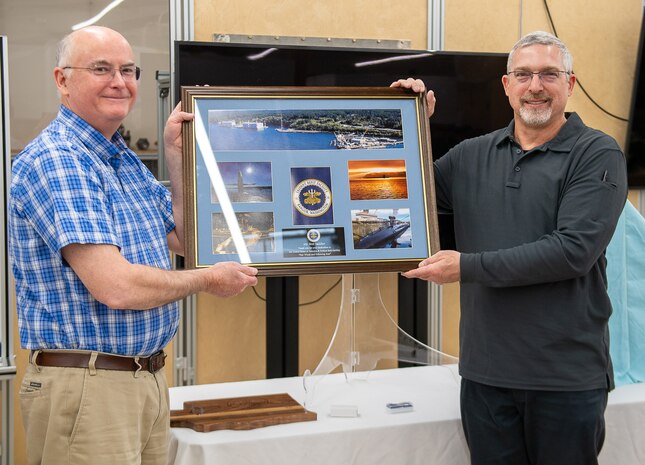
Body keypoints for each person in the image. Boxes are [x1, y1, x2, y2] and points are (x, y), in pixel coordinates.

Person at [8, 26, 258, 465]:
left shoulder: (122, 160)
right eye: (101, 69)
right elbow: (116, 287)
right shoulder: (59, 160)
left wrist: (176, 154)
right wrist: (208, 280)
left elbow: (184, 239)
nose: (119, 82)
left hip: (144, 378)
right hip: (90, 387)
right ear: (62, 80)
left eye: (127, 69)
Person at [393, 31, 628, 465]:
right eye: (523, 74)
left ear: (570, 84)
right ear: (506, 85)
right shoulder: (469, 156)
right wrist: (407, 123)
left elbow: (572, 251)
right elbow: (397, 194)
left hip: (565, 380)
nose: (535, 86)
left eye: (548, 74)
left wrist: (467, 267)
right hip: (485, 377)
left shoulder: (597, 153)